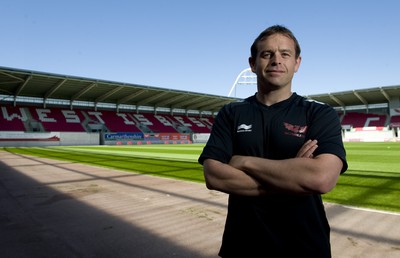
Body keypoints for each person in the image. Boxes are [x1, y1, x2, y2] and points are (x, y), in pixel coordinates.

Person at [198, 25, 347, 258]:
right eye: (267, 54)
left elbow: (320, 178)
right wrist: (293, 177)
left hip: (305, 247)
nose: (276, 60)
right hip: (242, 246)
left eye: (285, 54)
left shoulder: (319, 113)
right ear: (252, 63)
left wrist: (244, 161)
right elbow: (214, 175)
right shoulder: (231, 113)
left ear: (297, 63)